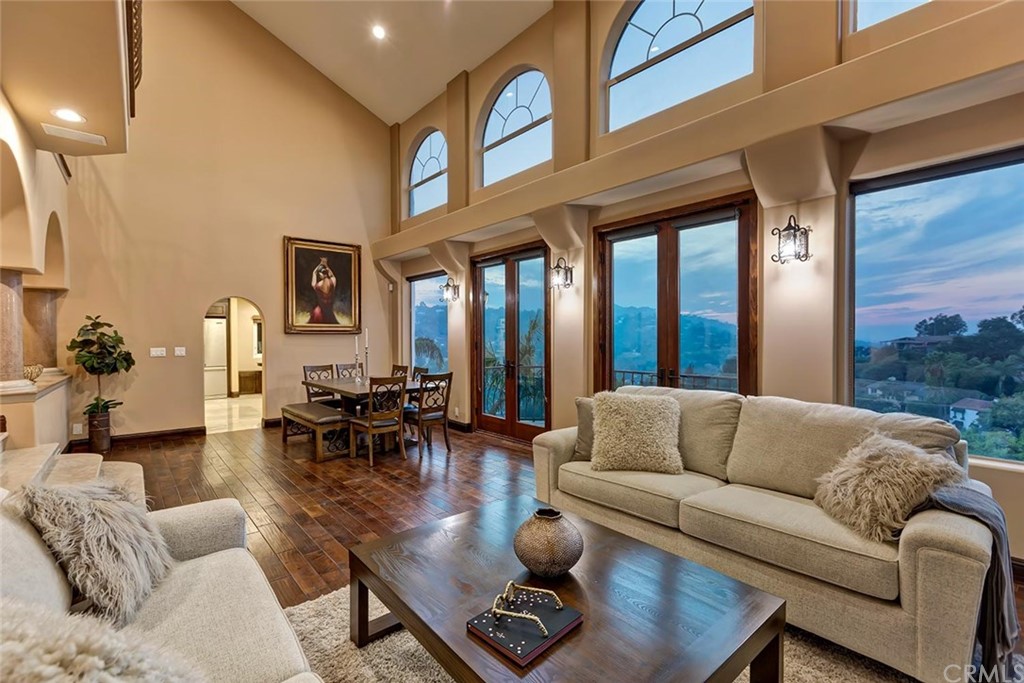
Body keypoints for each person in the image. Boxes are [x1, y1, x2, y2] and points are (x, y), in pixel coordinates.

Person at [309, 257, 338, 324]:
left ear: (321, 275)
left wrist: (320, 264)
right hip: (329, 312)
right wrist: (326, 265)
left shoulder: (318, 285)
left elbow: (314, 272)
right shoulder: (332, 282)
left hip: (319, 312)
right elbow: (332, 275)